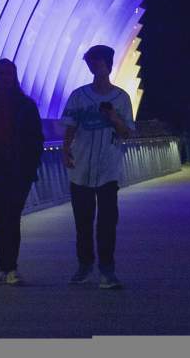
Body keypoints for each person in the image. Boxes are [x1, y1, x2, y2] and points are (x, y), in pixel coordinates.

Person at [61, 44, 134, 289]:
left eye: (99, 62)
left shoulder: (121, 98)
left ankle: (107, 269)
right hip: (80, 167)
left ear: (108, 65)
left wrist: (114, 118)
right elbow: (70, 125)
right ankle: (84, 265)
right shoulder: (79, 96)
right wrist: (66, 150)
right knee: (82, 220)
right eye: (91, 63)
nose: (95, 67)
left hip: (108, 168)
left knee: (107, 221)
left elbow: (127, 133)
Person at [0, 58, 44, 285]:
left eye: (9, 74)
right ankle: (3, 267)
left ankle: (10, 266)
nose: (6, 78)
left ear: (15, 78)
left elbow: (36, 139)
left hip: (18, 171)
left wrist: (30, 166)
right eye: (2, 74)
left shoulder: (26, 105)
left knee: (11, 217)